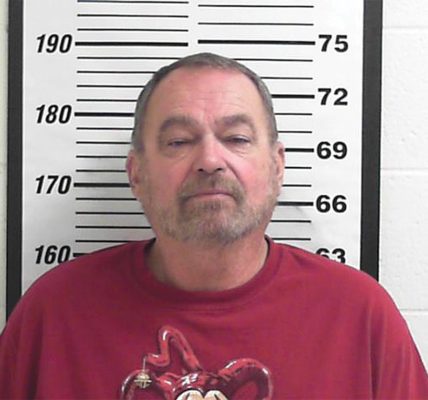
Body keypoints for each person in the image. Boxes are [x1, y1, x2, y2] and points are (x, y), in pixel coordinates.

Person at [1, 53, 427, 399]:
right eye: (179, 142)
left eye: (237, 138)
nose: (209, 160)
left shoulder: (361, 317)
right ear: (136, 173)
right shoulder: (52, 315)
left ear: (277, 166)